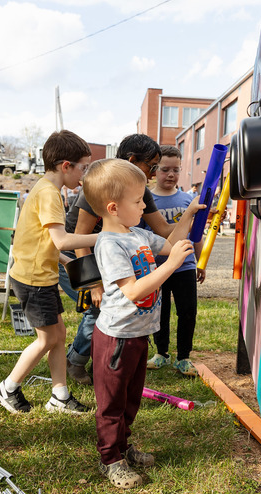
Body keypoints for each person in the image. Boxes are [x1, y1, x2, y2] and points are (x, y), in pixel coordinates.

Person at [83, 158, 199, 488]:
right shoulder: (109, 244)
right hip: (116, 339)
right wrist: (172, 264)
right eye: (138, 201)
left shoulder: (137, 233)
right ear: (113, 207)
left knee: (131, 398)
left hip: (138, 334)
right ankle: (110, 458)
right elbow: (134, 291)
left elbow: (172, 244)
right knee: (112, 403)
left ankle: (123, 446)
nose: (144, 205)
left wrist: (189, 213)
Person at [60, 134, 198, 386]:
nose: (155, 173)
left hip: (116, 249)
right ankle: (77, 362)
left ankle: (98, 359)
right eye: (152, 166)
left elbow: (165, 234)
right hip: (82, 255)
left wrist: (189, 214)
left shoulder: (138, 193)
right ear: (133, 160)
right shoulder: (103, 185)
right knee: (97, 309)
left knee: (105, 309)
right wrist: (94, 285)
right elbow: (79, 238)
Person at [0, 130, 98, 415]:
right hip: (33, 279)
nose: (84, 176)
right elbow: (62, 238)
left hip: (39, 274)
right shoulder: (50, 194)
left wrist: (62, 260)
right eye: (82, 168)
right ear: (66, 166)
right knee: (48, 339)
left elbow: (42, 239)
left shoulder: (43, 188)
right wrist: (105, 238)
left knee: (59, 334)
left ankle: (59, 396)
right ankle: (8, 387)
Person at [144, 146, 205, 376]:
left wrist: (200, 262)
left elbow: (196, 234)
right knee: (160, 311)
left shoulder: (189, 200)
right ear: (155, 170)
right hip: (157, 267)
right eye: (165, 169)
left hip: (184, 266)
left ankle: (183, 357)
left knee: (187, 311)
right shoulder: (146, 200)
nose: (170, 174)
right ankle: (161, 352)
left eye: (176, 170)